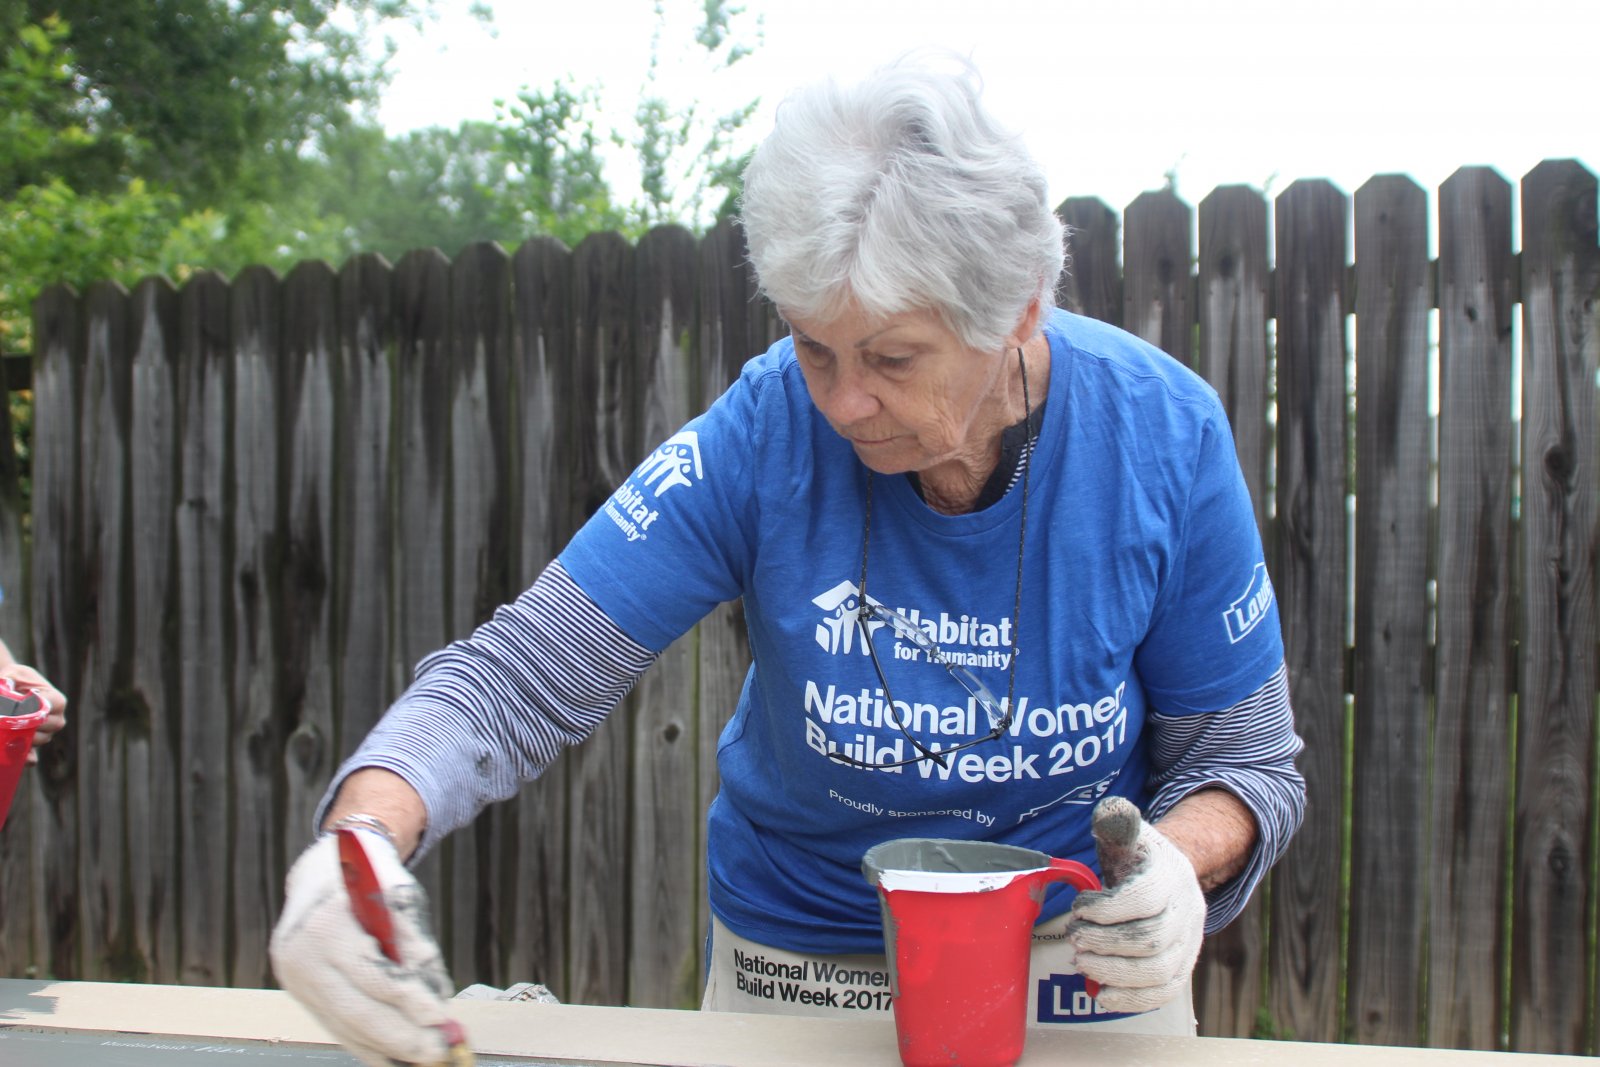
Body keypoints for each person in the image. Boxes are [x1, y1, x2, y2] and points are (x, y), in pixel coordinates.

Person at [270, 52, 1305, 1065]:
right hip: (803, 949)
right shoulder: (765, 427)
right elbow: (520, 674)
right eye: (815, 346)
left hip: (1075, 948)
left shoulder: (1161, 435)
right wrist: (361, 834)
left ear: (1019, 309)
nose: (840, 401)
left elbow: (1244, 759)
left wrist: (1177, 860)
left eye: (892, 358)